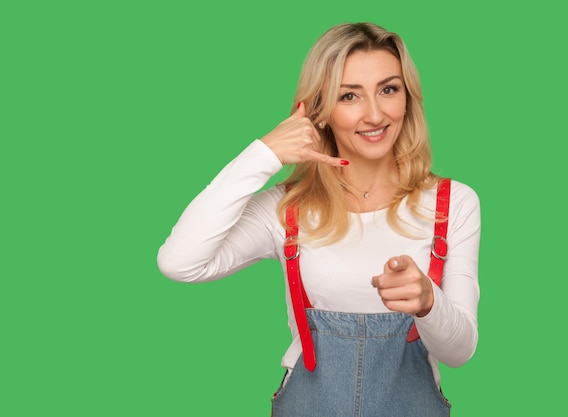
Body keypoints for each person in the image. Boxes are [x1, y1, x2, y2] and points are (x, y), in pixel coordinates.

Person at [157, 22, 480, 416]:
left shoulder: (452, 203)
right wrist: (264, 154)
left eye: (388, 89)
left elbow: (460, 352)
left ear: (407, 98)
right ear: (319, 111)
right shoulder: (286, 210)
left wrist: (429, 302)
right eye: (349, 96)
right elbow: (179, 262)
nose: (375, 114)